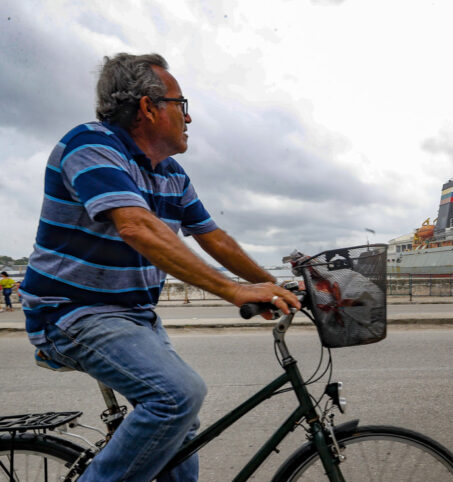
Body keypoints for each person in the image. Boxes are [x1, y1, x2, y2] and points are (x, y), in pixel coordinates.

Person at [19, 53, 301, 481]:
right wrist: (235, 291)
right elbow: (136, 226)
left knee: (180, 426)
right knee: (176, 397)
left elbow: (214, 237)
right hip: (71, 313)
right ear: (149, 108)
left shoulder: (171, 174)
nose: (189, 118)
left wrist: (271, 284)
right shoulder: (91, 146)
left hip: (135, 317)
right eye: (181, 105)